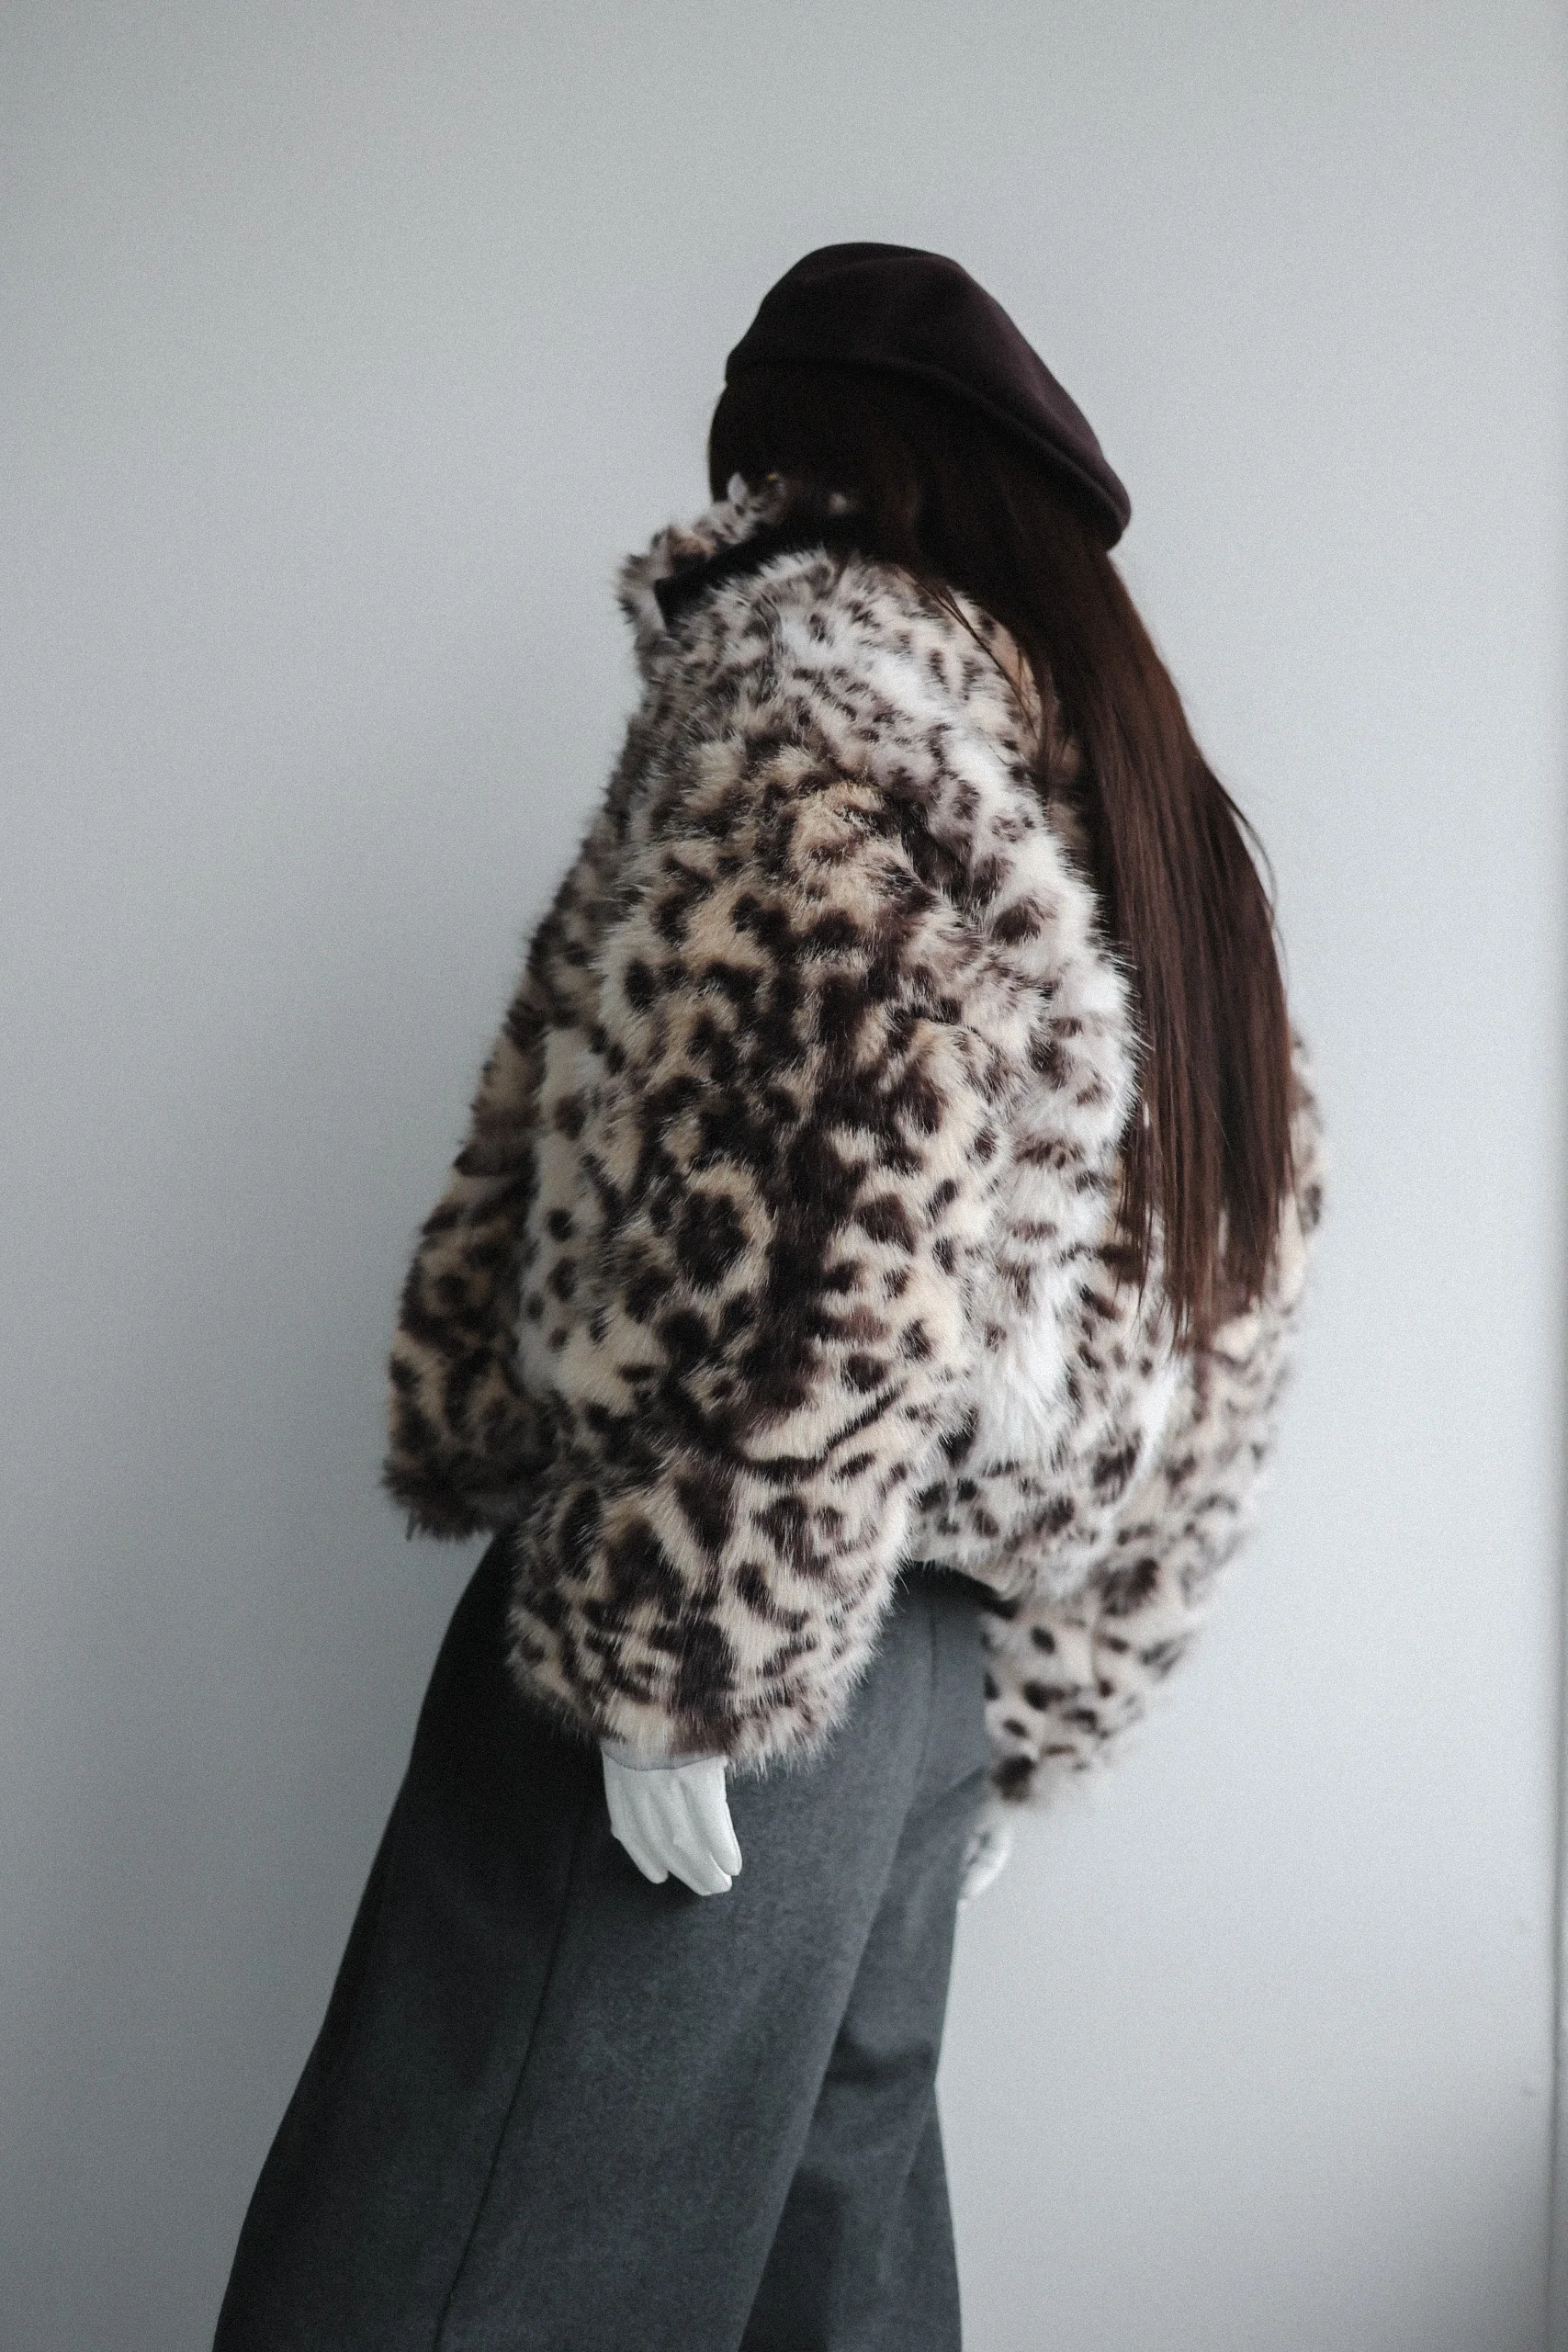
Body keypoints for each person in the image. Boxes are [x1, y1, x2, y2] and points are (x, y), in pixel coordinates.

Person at [213, 243, 1323, 2352]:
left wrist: (683, 1642)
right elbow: (1227, 1298)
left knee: (439, 2284)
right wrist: (1018, 1700)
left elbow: (816, 1157)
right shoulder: (1154, 828)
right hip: (923, 1672)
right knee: (832, 2296)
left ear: (808, 467)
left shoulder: (818, 681)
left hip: (716, 1601)